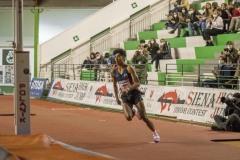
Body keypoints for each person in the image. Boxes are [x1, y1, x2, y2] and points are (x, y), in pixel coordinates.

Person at [111, 48, 160, 143]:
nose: (116, 59)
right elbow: (114, 85)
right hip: (125, 96)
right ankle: (134, 111)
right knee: (128, 117)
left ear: (123, 57)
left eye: (118, 56)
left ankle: (154, 133)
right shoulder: (113, 71)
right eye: (115, 57)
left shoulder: (129, 68)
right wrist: (117, 97)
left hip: (134, 94)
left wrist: (128, 89)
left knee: (144, 117)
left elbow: (137, 83)